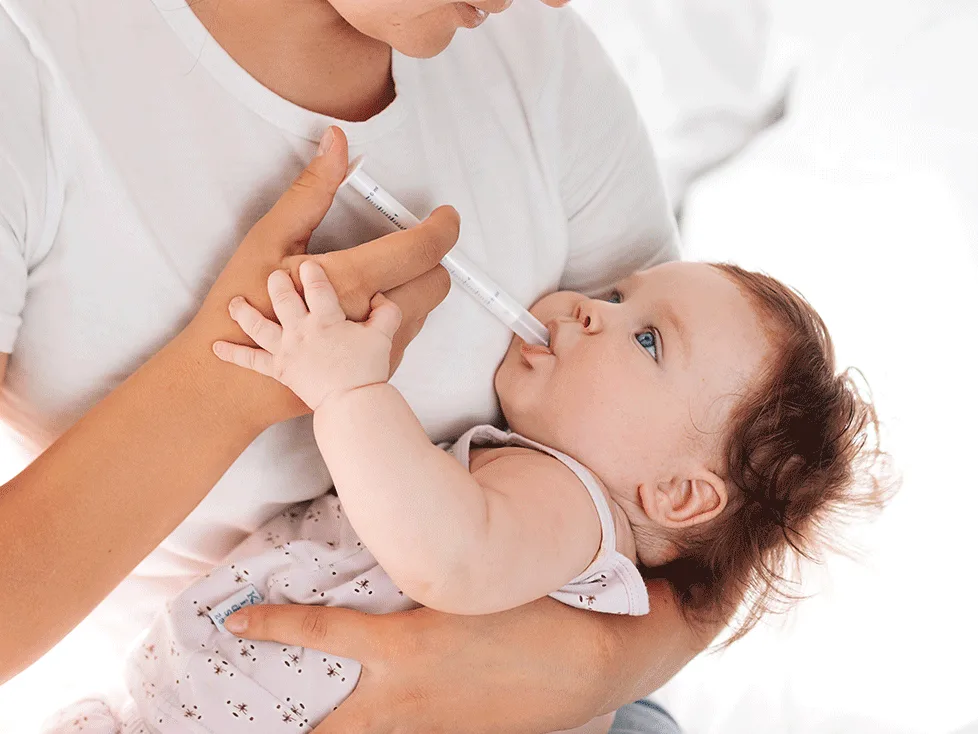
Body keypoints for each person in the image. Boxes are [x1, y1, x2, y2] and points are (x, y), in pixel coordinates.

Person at [0, 0, 718, 730]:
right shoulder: (27, 61)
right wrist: (228, 389)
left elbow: (738, 491)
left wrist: (593, 669)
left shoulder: (539, 49)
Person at [43, 255, 886, 732]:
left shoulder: (570, 508)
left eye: (647, 340)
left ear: (676, 494)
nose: (590, 310)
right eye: (616, 293)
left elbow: (448, 556)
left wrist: (348, 388)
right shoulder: (544, 483)